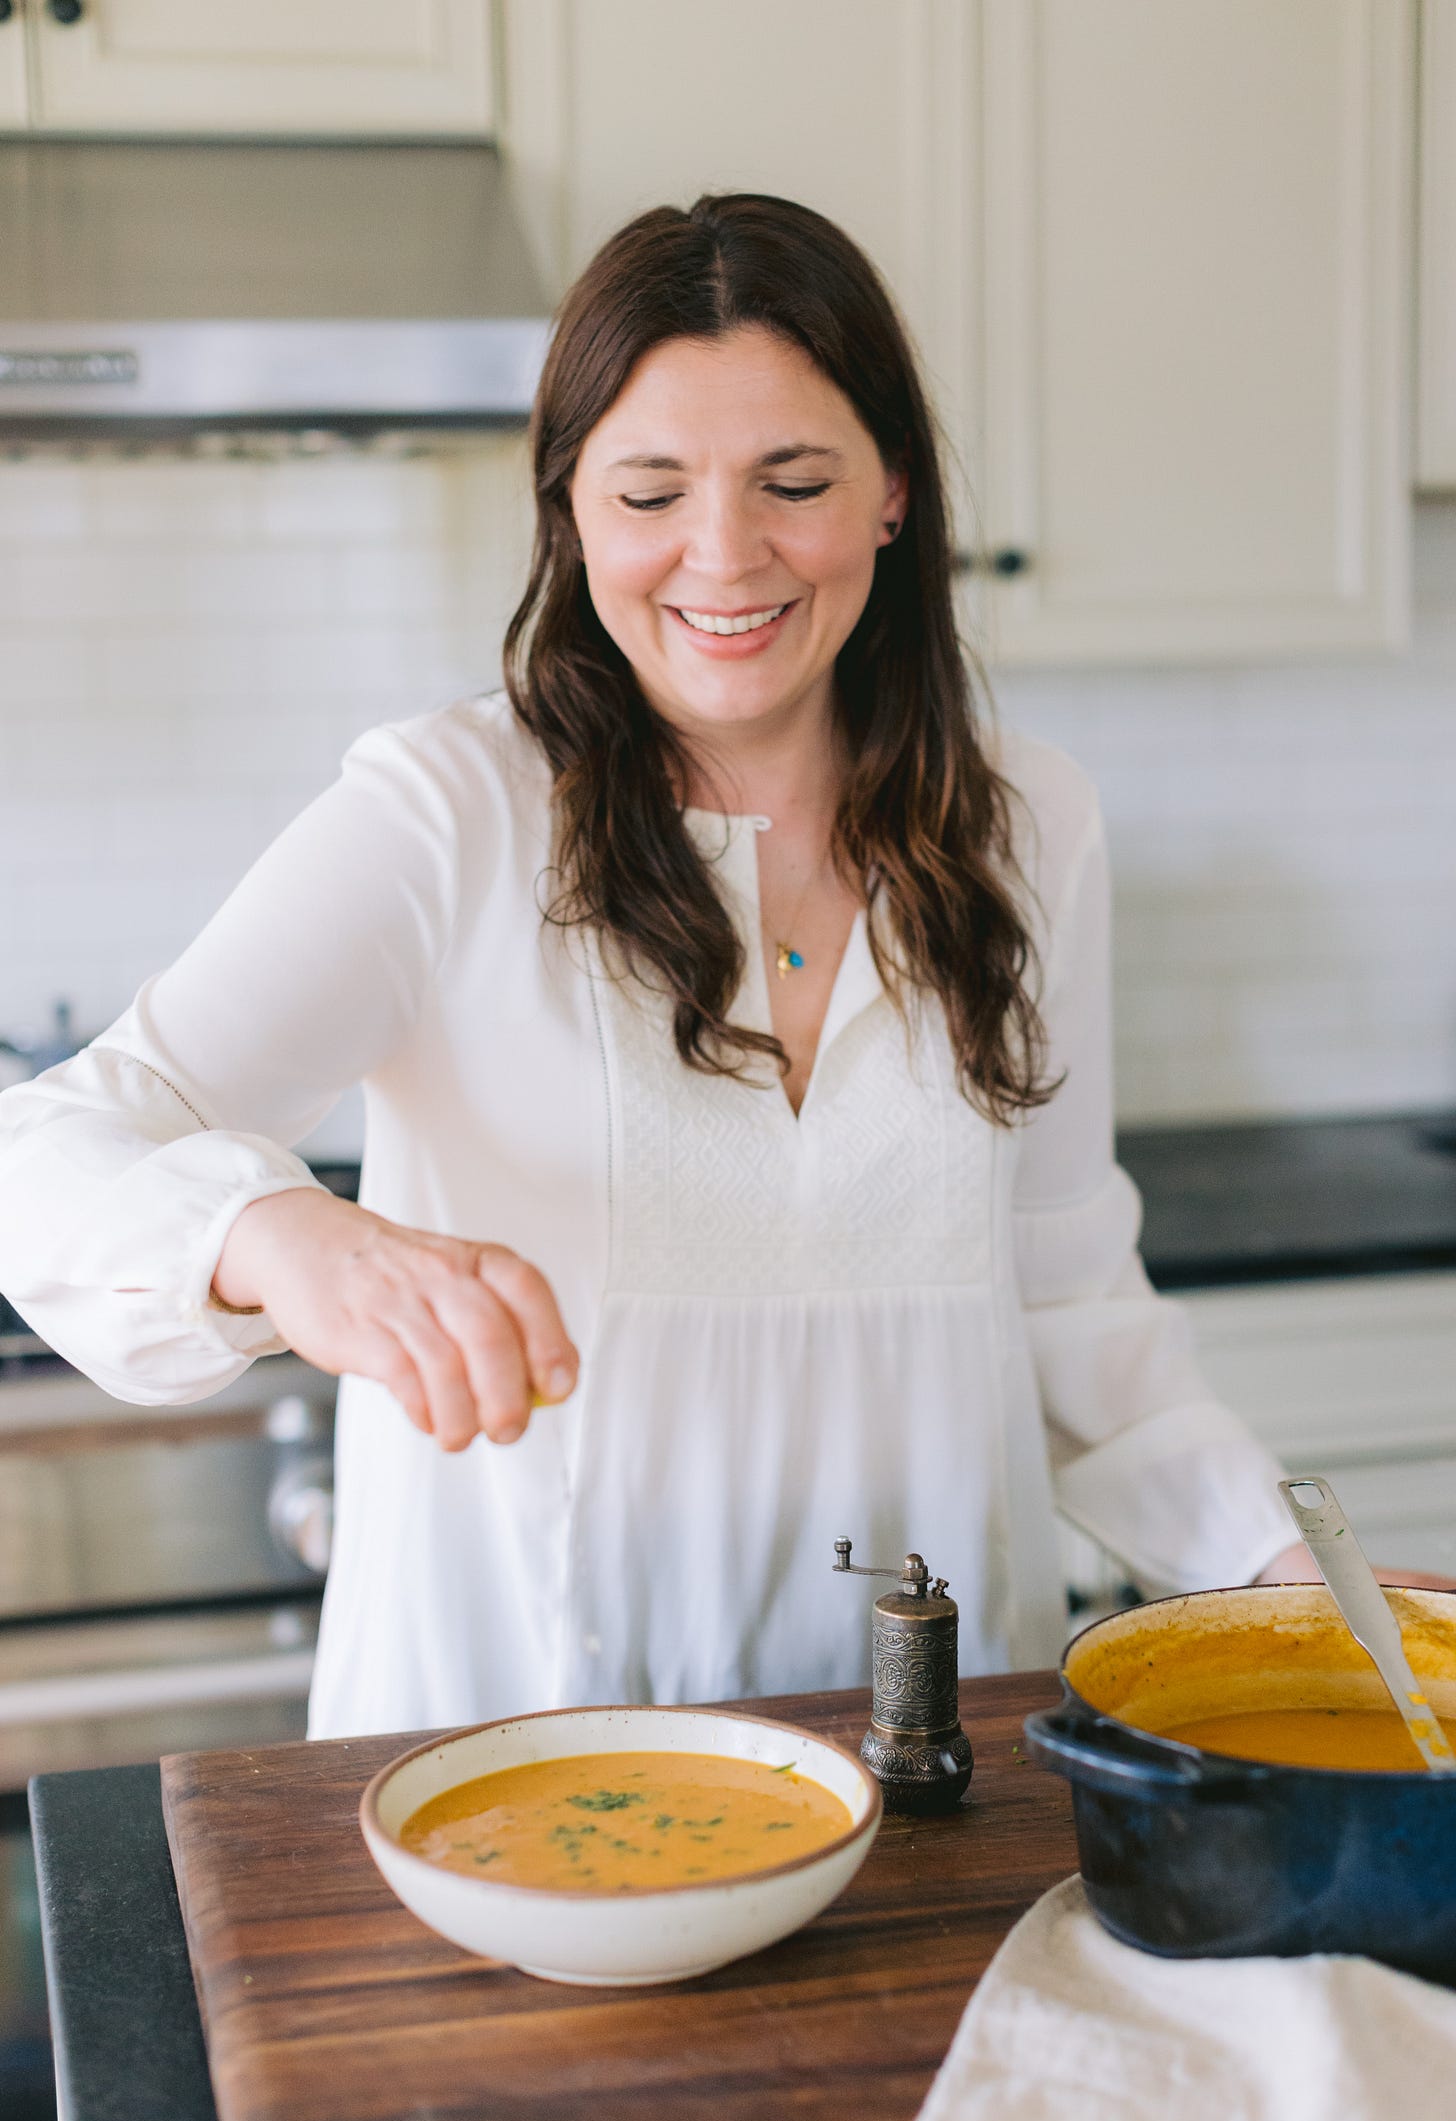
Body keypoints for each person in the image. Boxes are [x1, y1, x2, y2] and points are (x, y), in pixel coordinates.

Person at [0, 194, 1397, 1741]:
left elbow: (1069, 1304)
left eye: (793, 481)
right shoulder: (447, 813)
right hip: (520, 1757)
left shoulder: (1027, 825)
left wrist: (1306, 1588)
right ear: (571, 512)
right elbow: (48, 1144)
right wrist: (289, 1243)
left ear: (892, 497)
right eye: (650, 490)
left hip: (927, 1747)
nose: (724, 557)